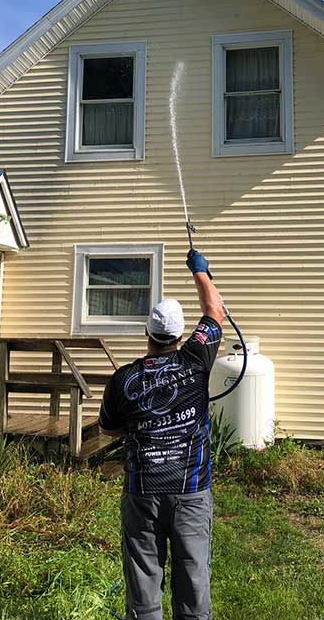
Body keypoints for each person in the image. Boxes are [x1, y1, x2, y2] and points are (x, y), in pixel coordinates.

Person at [98, 248, 225, 620]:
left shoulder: (124, 379)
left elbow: (107, 429)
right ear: (181, 334)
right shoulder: (196, 360)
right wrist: (200, 272)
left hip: (141, 494)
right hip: (190, 493)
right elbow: (214, 312)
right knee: (193, 583)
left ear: (148, 333)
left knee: (143, 589)